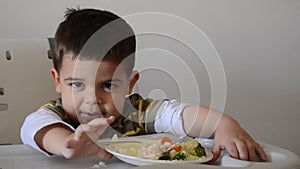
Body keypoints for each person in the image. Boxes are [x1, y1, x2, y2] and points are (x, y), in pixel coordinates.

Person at [20, 8, 267, 162]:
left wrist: (224, 125)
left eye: (107, 85)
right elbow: (33, 127)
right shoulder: (56, 115)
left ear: (130, 84)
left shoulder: (136, 112)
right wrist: (66, 143)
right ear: (57, 81)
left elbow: (180, 116)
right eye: (76, 85)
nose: (91, 99)